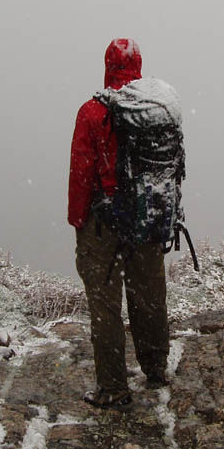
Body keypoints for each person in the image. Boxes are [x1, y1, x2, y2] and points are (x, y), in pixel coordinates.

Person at [68, 38, 172, 409]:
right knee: (149, 295)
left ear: (107, 66)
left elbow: (82, 171)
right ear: (139, 67)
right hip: (147, 215)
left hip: (104, 220)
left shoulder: (92, 112)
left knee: (106, 305)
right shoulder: (158, 111)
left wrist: (77, 218)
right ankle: (156, 369)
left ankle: (113, 388)